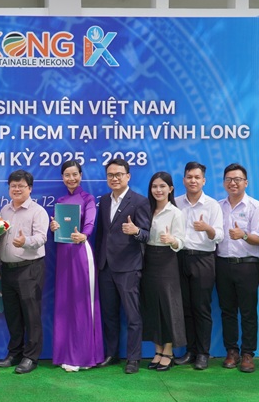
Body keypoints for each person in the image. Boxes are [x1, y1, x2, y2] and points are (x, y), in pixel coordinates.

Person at [94, 159, 151, 374]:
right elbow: (102, 235)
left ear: (128, 176)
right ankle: (112, 354)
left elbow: (147, 235)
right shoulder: (104, 201)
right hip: (106, 266)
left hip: (128, 267)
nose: (114, 178)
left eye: (118, 174)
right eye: (110, 175)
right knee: (109, 314)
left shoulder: (139, 201)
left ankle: (133, 358)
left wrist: (136, 231)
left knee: (132, 315)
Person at [0, 170, 49, 374]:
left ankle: (31, 357)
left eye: (21, 186)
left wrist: (25, 242)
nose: (16, 189)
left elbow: (42, 237)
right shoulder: (4, 210)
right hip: (7, 270)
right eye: (13, 186)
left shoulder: (38, 211)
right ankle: (15, 353)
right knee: (12, 314)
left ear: (30, 188)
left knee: (31, 314)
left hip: (30, 269)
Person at [49, 160, 103, 372]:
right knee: (65, 303)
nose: (71, 178)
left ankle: (84, 356)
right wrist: (54, 226)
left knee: (82, 303)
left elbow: (89, 223)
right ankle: (64, 354)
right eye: (67, 175)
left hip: (81, 253)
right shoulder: (61, 201)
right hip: (63, 254)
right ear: (62, 178)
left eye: (74, 174)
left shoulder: (88, 199)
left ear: (80, 175)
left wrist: (84, 235)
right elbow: (59, 228)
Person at [215, 163, 259, 373]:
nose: (233, 183)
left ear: (246, 182)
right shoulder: (218, 206)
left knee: (248, 311)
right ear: (224, 183)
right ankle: (232, 351)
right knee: (227, 310)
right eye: (229, 179)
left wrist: (243, 235)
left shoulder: (255, 207)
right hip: (222, 264)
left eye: (237, 179)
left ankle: (248, 353)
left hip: (247, 265)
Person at [174, 162, 223, 370]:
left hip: (203, 259)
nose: (193, 181)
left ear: (204, 180)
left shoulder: (212, 205)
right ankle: (190, 351)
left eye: (197, 177)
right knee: (185, 307)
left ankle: (203, 353)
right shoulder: (176, 202)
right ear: (183, 180)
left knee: (201, 308)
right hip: (180, 258)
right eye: (189, 177)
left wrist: (207, 228)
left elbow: (219, 236)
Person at [142, 172, 186, 372]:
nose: (158, 190)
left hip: (167, 260)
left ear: (170, 189)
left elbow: (181, 241)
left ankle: (168, 351)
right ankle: (157, 351)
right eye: (154, 186)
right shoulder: (146, 210)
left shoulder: (175, 213)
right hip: (148, 259)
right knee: (152, 306)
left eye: (162, 186)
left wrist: (172, 240)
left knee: (167, 305)